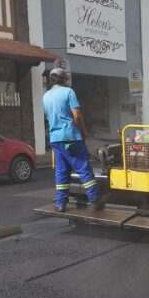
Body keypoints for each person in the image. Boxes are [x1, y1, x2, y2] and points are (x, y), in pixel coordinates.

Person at [43, 67, 102, 212]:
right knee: (83, 168)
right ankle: (94, 200)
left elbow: (48, 118)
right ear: (63, 80)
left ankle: (61, 203)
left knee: (62, 171)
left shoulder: (46, 96)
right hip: (71, 137)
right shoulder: (68, 92)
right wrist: (83, 130)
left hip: (55, 139)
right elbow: (76, 115)